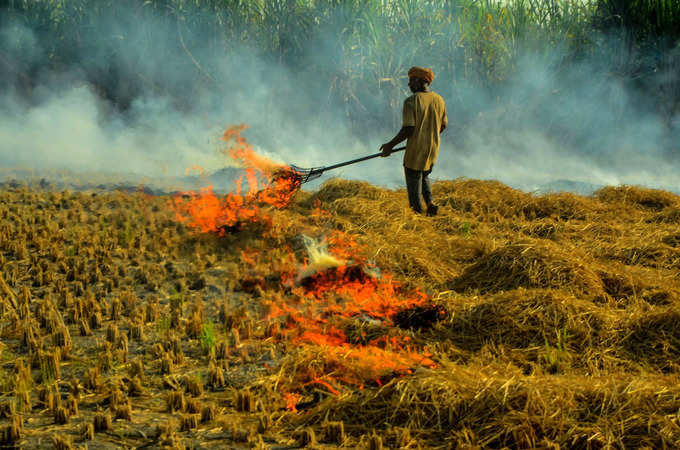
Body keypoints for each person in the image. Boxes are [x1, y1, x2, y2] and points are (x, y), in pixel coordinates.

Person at [380, 66, 447, 216]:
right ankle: (430, 203)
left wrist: (390, 145)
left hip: (415, 151)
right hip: (432, 150)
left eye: (411, 81)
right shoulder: (439, 100)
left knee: (413, 180)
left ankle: (417, 213)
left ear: (419, 81)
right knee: (424, 174)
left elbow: (408, 129)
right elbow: (443, 125)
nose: (409, 84)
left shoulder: (412, 101)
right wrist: (429, 135)